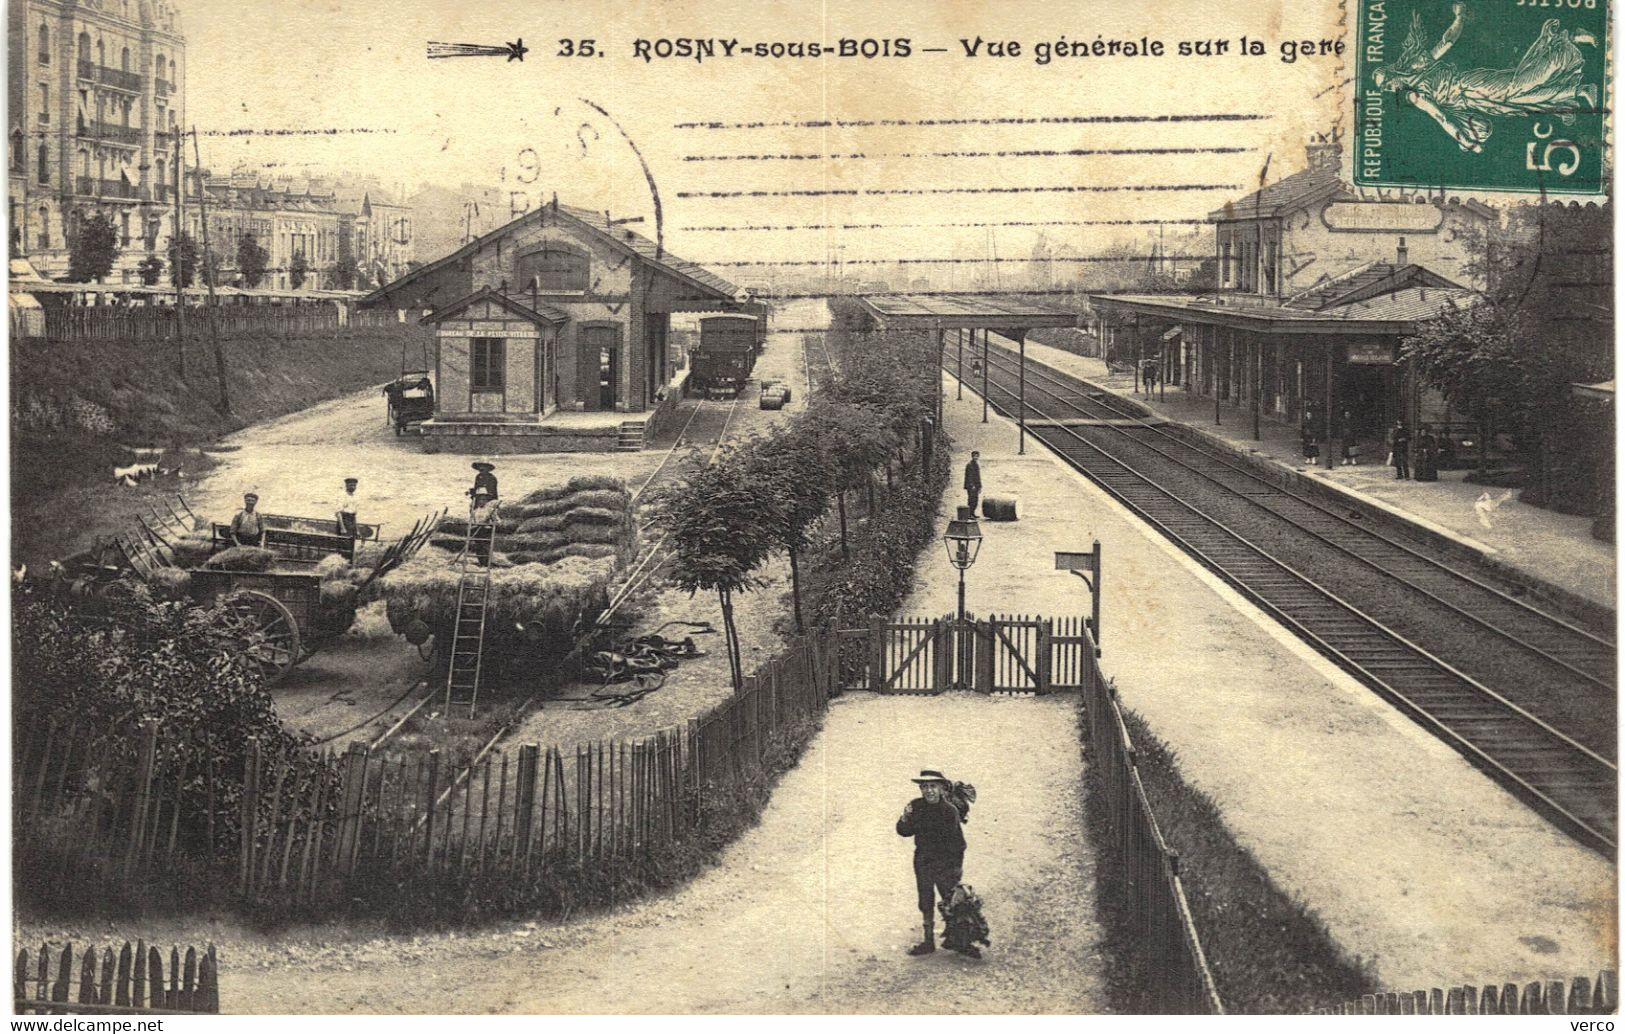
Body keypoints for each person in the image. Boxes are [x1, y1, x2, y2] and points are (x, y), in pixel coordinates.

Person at [896, 769, 970, 958]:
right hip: (923, 862)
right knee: (925, 900)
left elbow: (958, 844)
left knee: (950, 901)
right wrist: (905, 818)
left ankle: (957, 940)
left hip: (945, 864)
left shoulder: (949, 811)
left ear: (941, 788)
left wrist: (955, 869)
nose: (928, 791)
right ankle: (928, 942)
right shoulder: (916, 806)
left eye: (932, 786)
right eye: (925, 787)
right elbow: (904, 831)